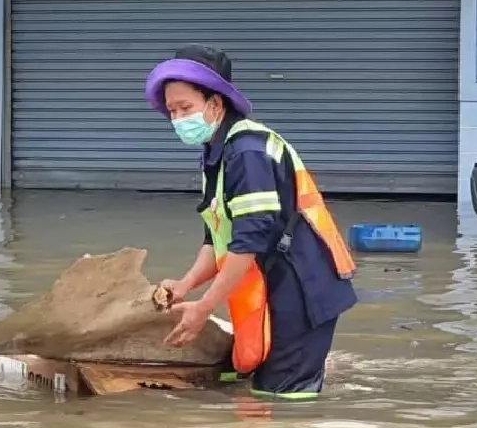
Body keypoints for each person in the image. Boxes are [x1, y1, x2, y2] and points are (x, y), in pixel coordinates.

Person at [144, 45, 358, 400]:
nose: (179, 119)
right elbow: (218, 238)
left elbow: (248, 240)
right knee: (254, 386)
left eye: (186, 108)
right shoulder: (217, 153)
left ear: (216, 104)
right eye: (172, 111)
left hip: (302, 287)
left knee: (285, 403)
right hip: (273, 285)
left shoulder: (247, 152)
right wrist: (186, 285)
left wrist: (205, 307)